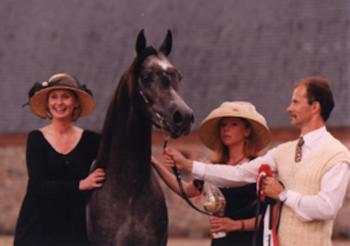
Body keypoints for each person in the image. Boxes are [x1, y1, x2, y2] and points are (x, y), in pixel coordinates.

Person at [164, 76, 350, 246]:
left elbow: (327, 208)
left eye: (295, 102)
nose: (289, 108)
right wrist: (189, 165)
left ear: (315, 107)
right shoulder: (283, 152)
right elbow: (239, 174)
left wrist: (283, 195)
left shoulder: (337, 155)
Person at [153, 101, 271, 245]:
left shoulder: (257, 168)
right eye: (223, 125)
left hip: (250, 242)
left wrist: (238, 225)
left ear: (247, 131)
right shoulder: (212, 168)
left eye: (233, 124)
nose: (226, 129)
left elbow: (270, 217)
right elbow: (185, 190)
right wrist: (154, 162)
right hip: (220, 242)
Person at [14, 73, 105, 246]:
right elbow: (37, 186)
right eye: (53, 97)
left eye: (66, 96)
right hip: (37, 230)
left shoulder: (93, 141)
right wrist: (81, 184)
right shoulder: (36, 139)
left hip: (77, 231)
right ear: (48, 103)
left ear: (76, 102)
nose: (59, 102)